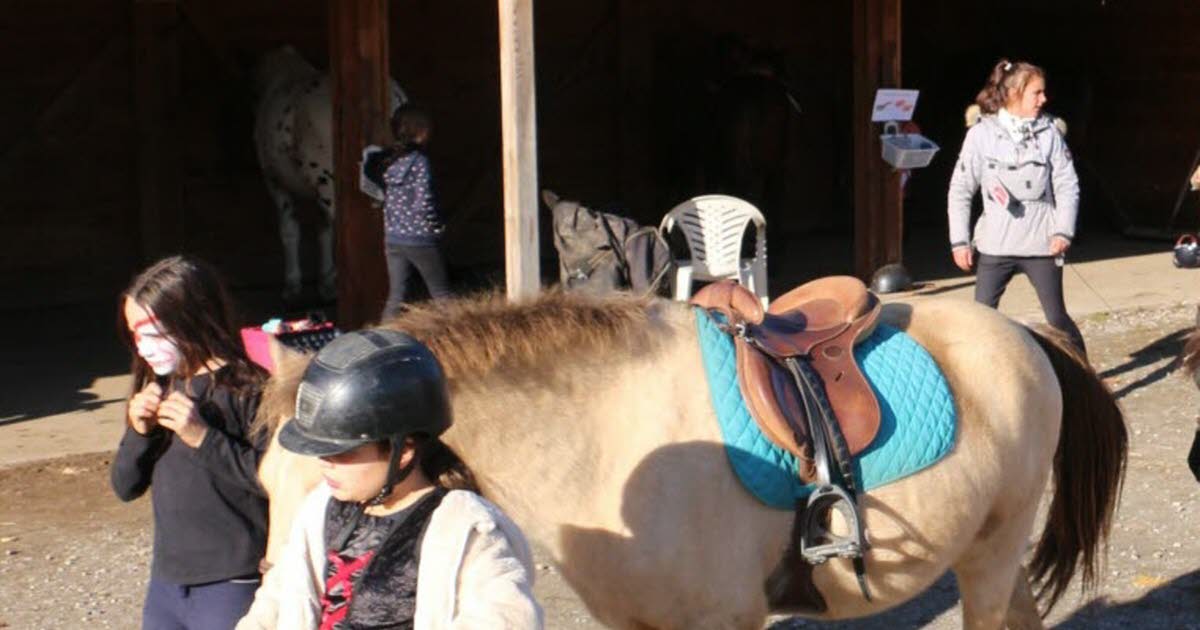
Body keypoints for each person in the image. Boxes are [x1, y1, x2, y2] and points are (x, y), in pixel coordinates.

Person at [237, 329, 543, 629]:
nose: (325, 464)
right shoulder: (319, 511)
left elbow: (508, 618)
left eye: (342, 452)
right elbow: (277, 599)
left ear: (405, 449)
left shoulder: (464, 529)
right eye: (321, 452)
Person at [111, 255, 270, 629]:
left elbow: (273, 480)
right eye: (135, 334)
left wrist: (203, 438)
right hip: (168, 581)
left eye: (151, 331)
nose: (142, 347)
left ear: (191, 318)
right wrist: (139, 431)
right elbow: (124, 486)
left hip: (232, 580)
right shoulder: (161, 386)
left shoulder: (249, 388)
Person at [947, 58, 1086, 355]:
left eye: (1043, 92)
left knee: (1057, 318)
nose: (1044, 99)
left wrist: (1064, 231)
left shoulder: (1050, 134)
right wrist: (959, 241)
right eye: (1036, 93)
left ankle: (1085, 380)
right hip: (995, 244)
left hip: (1042, 243)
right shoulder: (980, 135)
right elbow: (960, 189)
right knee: (981, 317)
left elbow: (1067, 185)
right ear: (1013, 94)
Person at [377, 105, 453, 317]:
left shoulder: (389, 161)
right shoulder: (420, 163)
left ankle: (383, 338)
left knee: (396, 296)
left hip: (393, 238)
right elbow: (424, 201)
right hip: (420, 238)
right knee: (442, 294)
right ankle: (461, 341)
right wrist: (437, 227)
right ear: (420, 131)